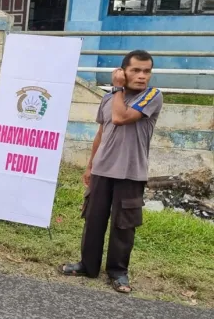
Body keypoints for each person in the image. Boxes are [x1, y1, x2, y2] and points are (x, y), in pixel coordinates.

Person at [61, 50, 163, 294]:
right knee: (93, 219)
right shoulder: (108, 98)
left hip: (130, 172)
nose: (141, 76)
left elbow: (120, 117)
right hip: (103, 170)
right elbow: (102, 133)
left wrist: (117, 89)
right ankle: (88, 265)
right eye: (135, 70)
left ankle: (118, 272)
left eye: (146, 71)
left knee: (123, 225)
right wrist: (90, 165)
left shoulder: (152, 95)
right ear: (122, 71)